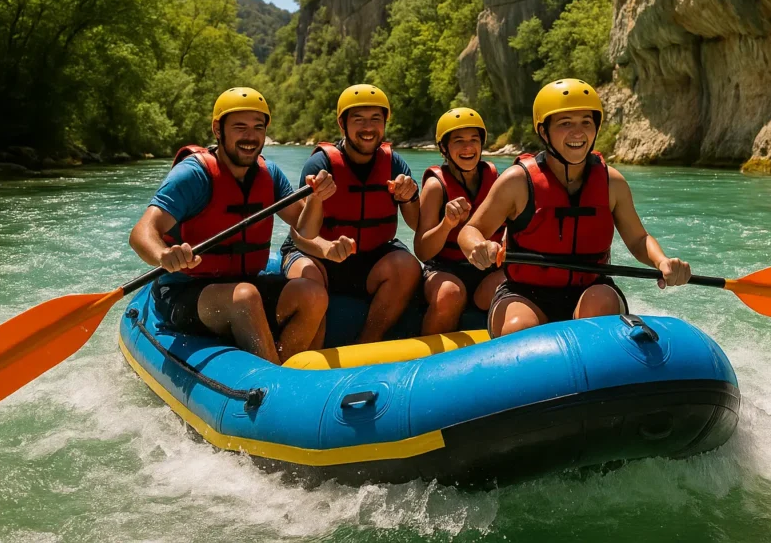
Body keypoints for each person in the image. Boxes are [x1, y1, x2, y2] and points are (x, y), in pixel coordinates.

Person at [458, 78, 692, 338]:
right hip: (525, 292)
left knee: (600, 304)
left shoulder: (612, 182)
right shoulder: (517, 181)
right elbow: (471, 230)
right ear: (544, 131)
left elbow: (638, 239)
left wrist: (662, 261)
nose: (578, 133)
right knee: (518, 329)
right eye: (565, 123)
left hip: (591, 288)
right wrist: (477, 246)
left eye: (586, 123)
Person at [129, 87, 335, 364]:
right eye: (240, 127)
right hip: (186, 292)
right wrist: (163, 255)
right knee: (245, 297)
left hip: (244, 282)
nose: (250, 137)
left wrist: (316, 199)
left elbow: (306, 229)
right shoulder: (194, 175)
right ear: (218, 129)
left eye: (257, 127)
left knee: (312, 293)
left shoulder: (269, 173)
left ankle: (285, 369)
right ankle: (273, 379)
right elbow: (141, 233)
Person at [281, 84, 422, 344]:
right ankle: (307, 358)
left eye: (375, 119)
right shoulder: (320, 164)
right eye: (359, 120)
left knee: (408, 266)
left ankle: (367, 344)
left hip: (370, 259)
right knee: (308, 278)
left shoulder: (394, 164)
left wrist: (411, 196)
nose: (368, 128)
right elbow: (301, 235)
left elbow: (416, 225)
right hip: (316, 254)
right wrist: (316, 201)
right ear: (342, 124)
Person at [414, 108, 505, 335]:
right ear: (444, 148)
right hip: (444, 269)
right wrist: (447, 223)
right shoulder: (436, 187)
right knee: (449, 294)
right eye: (458, 141)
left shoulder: (496, 180)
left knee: (525, 281)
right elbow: (422, 251)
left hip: (488, 269)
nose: (468, 148)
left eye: (474, 140)